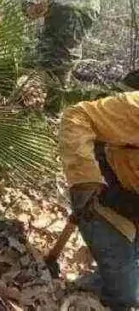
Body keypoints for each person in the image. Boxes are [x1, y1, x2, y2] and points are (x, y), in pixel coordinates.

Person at [60, 86, 139, 311]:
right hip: (104, 201)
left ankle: (96, 285)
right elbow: (77, 115)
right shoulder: (135, 108)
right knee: (127, 296)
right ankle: (79, 295)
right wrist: (85, 181)